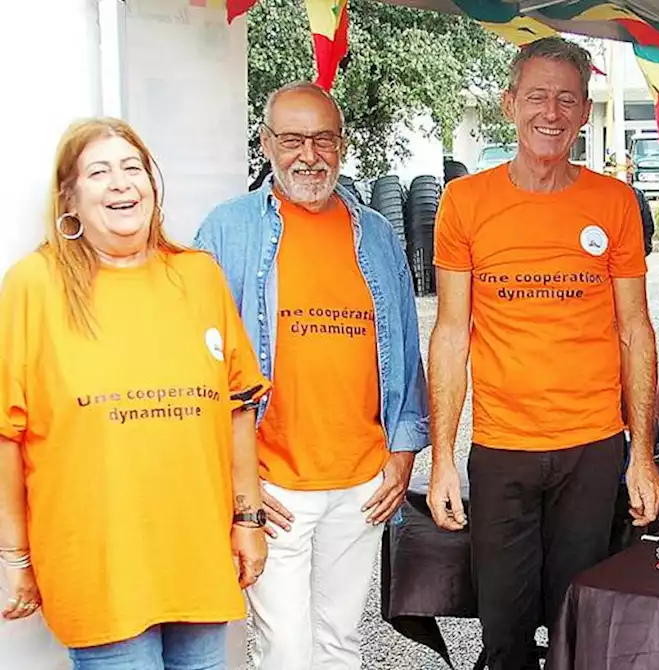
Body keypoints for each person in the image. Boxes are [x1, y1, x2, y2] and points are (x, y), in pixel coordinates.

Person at [426, 37, 659, 670]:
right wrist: (443, 460)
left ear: (586, 111)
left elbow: (636, 331)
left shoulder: (614, 203)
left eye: (566, 99)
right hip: (502, 449)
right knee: (503, 637)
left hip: (592, 448)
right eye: (537, 96)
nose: (550, 113)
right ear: (509, 104)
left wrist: (642, 455)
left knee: (579, 629)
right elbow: (451, 333)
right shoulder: (464, 202)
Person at [0, 117, 270, 667]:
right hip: (99, 566)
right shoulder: (34, 286)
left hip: (196, 554)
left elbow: (238, 408)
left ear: (152, 183)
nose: (121, 183)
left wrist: (248, 521)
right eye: (99, 172)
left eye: (133, 168)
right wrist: (15, 557)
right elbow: (9, 434)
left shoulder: (197, 277)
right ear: (69, 198)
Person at [195, 82, 428, 669]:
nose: (309, 154)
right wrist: (236, 484)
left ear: (342, 145)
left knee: (339, 644)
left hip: (361, 483)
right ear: (268, 144)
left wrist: (402, 454)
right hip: (275, 484)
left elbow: (404, 346)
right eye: (293, 139)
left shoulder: (375, 232)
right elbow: (202, 366)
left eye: (323, 139)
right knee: (285, 649)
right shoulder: (229, 231)